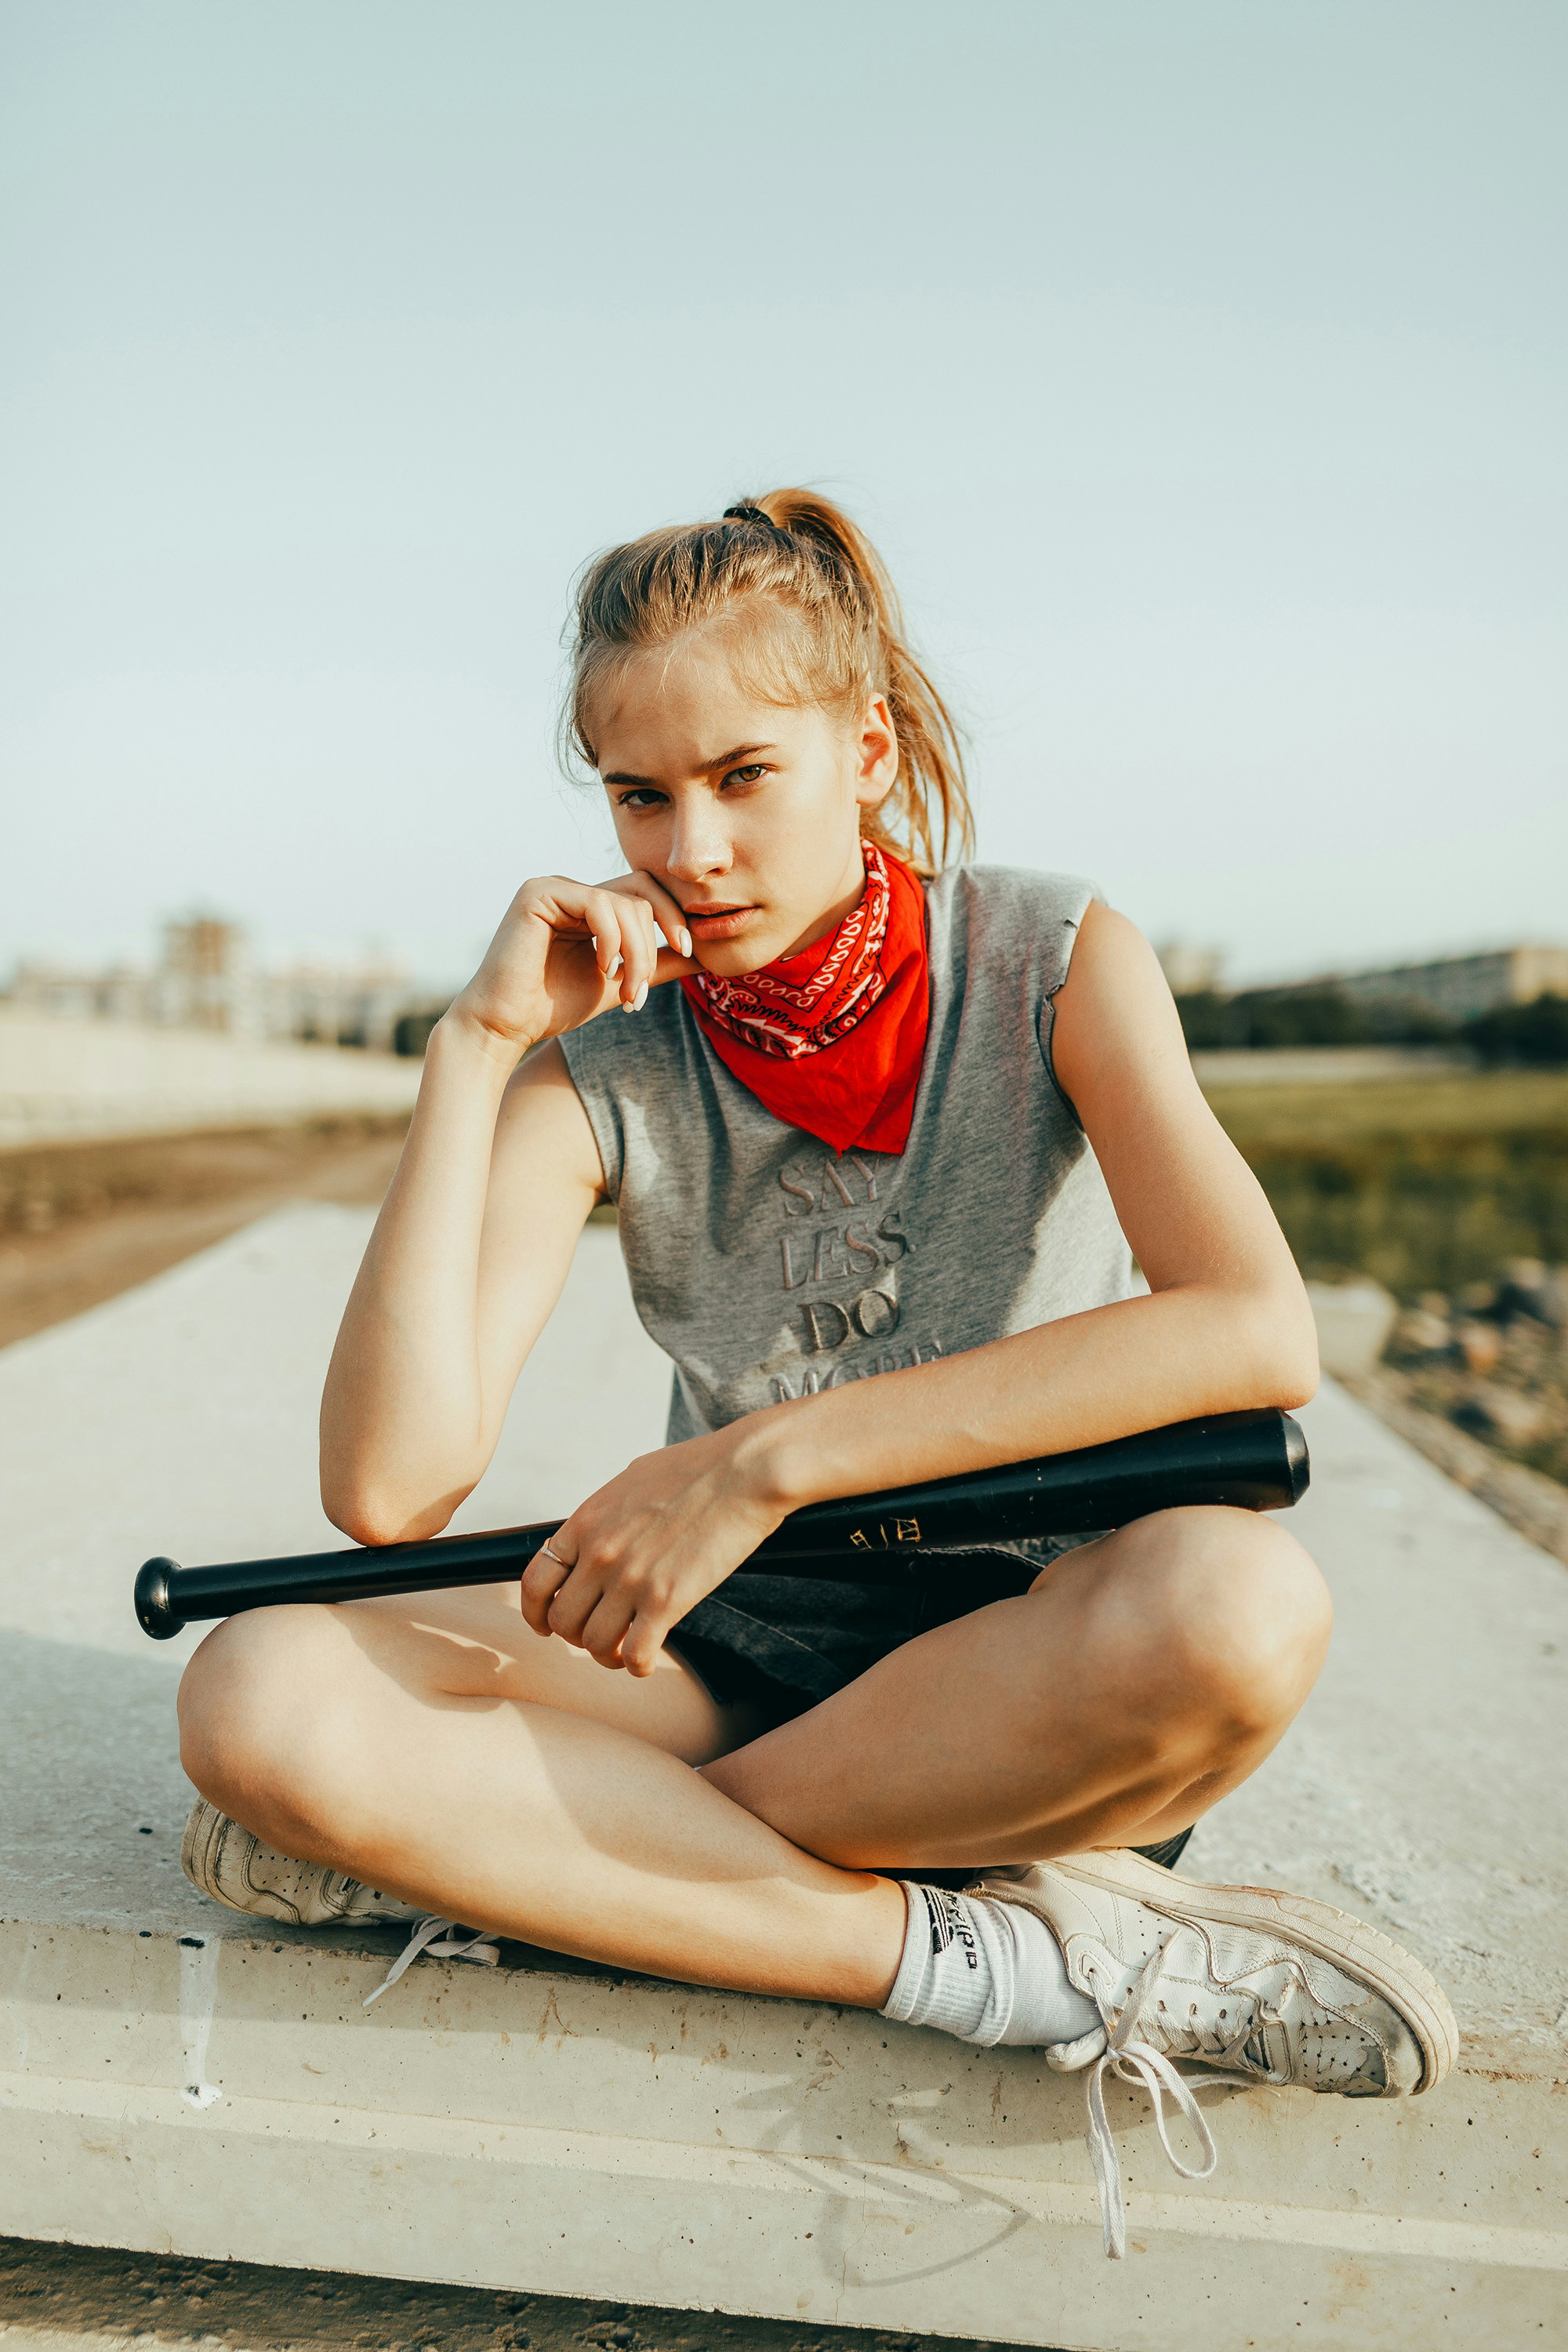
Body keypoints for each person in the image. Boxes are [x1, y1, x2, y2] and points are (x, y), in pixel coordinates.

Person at [176, 491, 1455, 2259]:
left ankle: (539, 1861)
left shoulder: (1051, 956)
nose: (688, 846)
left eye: (741, 776)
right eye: (638, 795)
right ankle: (991, 1961)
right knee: (261, 1701)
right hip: (741, 1660)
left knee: (1240, 1605)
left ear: (867, 752)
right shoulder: (602, 1069)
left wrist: (760, 1463)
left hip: (1037, 1660)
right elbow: (391, 1490)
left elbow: (1250, 1327)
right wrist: (471, 1053)